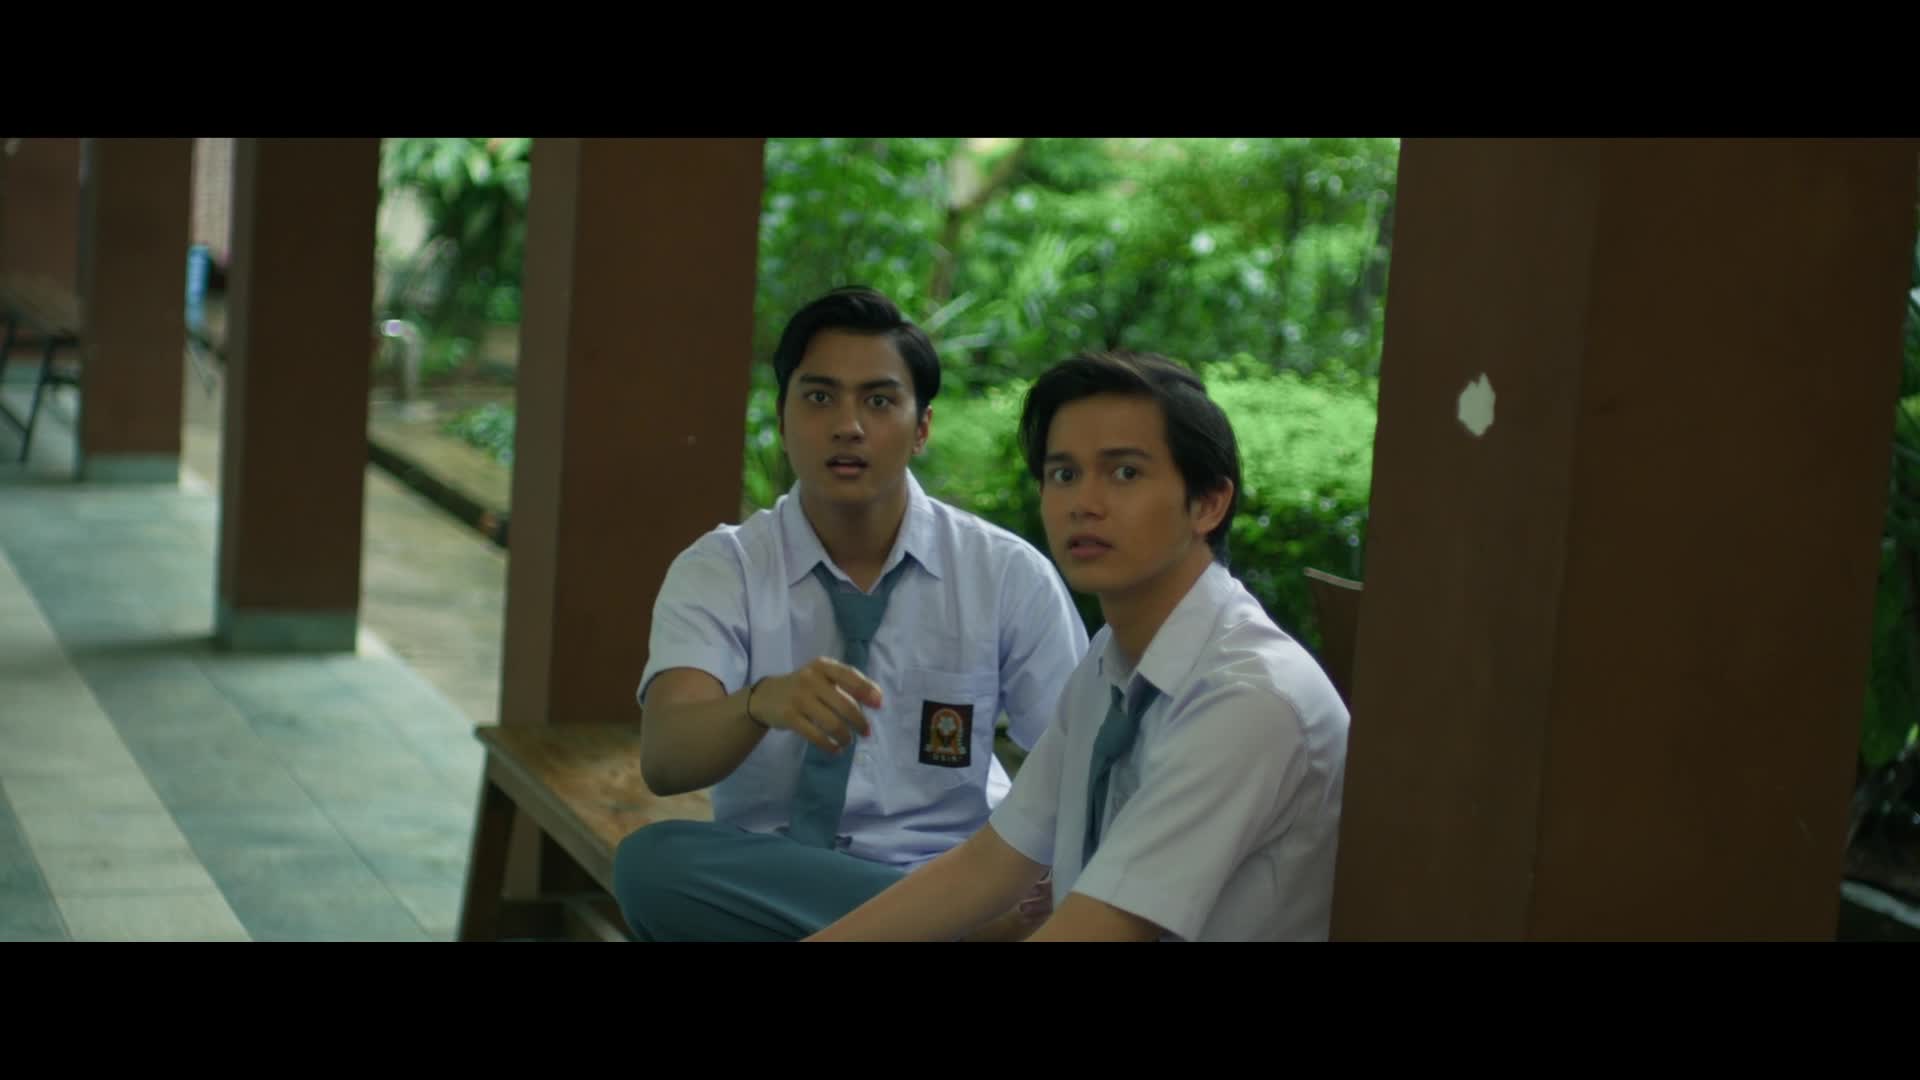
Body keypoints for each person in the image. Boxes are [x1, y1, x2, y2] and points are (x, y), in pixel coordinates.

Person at [808, 349, 1350, 942]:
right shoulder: (1112, 659)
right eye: (1064, 475)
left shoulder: (1248, 698)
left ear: (1208, 504)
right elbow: (991, 864)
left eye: (1125, 473)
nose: (1084, 504)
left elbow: (1098, 928)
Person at [610, 286, 1088, 941]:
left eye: (879, 401)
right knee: (651, 865)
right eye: (819, 397)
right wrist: (760, 703)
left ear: (922, 429)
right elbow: (665, 760)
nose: (848, 426)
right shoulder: (723, 569)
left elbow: (1082, 771)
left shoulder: (1006, 575)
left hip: (947, 874)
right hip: (780, 885)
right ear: (782, 419)